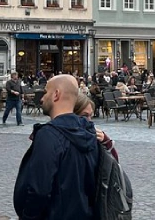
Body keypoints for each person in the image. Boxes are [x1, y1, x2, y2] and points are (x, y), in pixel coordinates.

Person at [13, 75, 99, 219]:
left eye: (46, 92)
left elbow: (39, 189)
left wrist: (28, 215)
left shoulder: (48, 135)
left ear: (56, 94)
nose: (42, 98)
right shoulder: (89, 133)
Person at [74, 93, 118, 161]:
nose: (89, 120)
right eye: (84, 116)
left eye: (91, 116)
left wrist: (106, 142)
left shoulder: (96, 135)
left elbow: (115, 162)